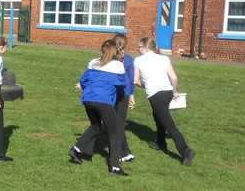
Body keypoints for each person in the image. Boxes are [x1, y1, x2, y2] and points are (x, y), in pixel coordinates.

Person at [69, 39, 132, 176]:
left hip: (87, 99)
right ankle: (114, 167)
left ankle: (76, 149)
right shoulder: (117, 65)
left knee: (95, 126)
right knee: (114, 132)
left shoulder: (93, 63)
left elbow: (83, 80)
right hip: (103, 101)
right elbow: (121, 84)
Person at [133, 37, 195, 165]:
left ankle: (185, 151)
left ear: (146, 48)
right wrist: (174, 91)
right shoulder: (164, 58)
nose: (137, 49)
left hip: (155, 95)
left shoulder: (138, 60)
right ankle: (161, 142)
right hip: (167, 92)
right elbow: (173, 77)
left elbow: (135, 81)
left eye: (139, 47)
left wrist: (144, 85)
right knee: (158, 116)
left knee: (169, 125)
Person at [112, 33, 136, 163]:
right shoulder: (128, 59)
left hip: (111, 92)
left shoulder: (108, 57)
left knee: (114, 123)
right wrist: (131, 94)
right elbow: (131, 80)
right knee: (118, 123)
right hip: (124, 93)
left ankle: (123, 151)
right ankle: (123, 152)